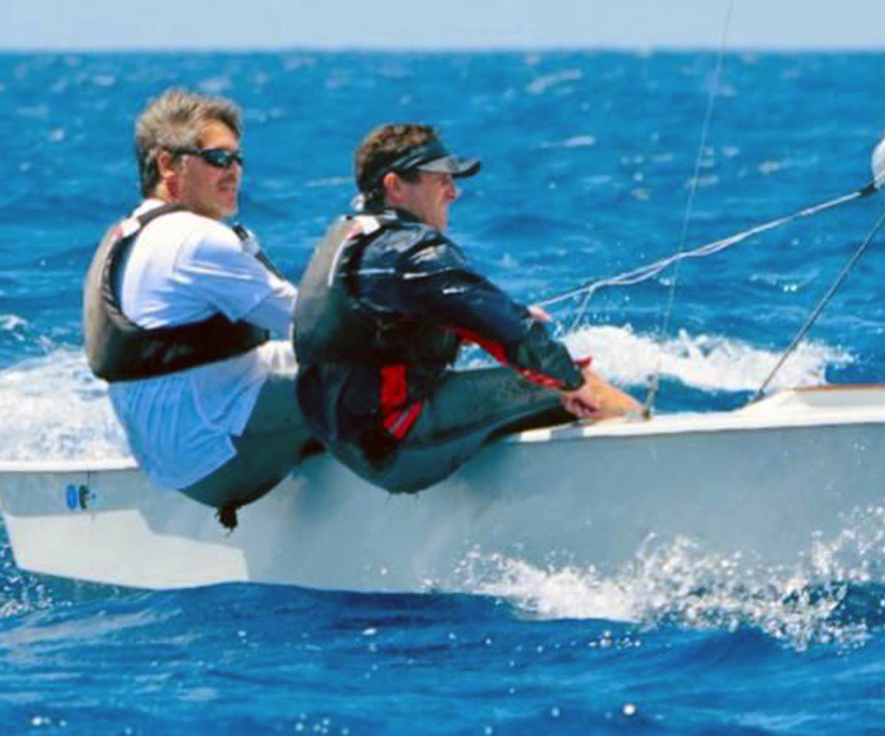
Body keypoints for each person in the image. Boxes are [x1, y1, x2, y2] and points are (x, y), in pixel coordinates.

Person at [294, 123, 640, 494]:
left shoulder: (352, 238)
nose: (454, 192)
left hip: (343, 438)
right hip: (393, 447)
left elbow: (368, 338)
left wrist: (465, 328)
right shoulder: (412, 251)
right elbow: (515, 336)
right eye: (440, 180)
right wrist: (571, 380)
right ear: (395, 186)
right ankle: (648, 471)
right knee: (582, 384)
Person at [83, 88, 317, 526]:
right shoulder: (196, 238)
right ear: (168, 163)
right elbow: (315, 323)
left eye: (237, 159)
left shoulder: (129, 233)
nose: (233, 173)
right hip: (214, 455)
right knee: (365, 375)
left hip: (168, 454)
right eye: (216, 159)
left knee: (310, 359)